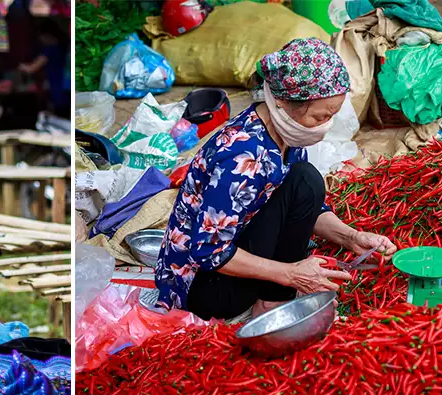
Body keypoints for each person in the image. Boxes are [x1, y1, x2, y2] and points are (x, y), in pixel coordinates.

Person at [154, 38, 398, 321]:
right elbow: (208, 251)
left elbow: (303, 205)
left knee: (305, 181)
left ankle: (270, 296)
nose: (326, 125)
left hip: (232, 255)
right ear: (282, 102)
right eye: (320, 116)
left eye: (331, 115)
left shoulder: (286, 134)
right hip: (203, 288)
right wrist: (292, 275)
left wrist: (351, 237)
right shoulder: (243, 158)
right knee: (306, 180)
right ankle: (269, 304)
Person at [18, 20, 70, 118]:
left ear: (47, 35)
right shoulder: (63, 47)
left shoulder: (50, 49)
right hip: (65, 85)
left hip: (57, 85)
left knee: (60, 113)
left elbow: (31, 68)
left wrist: (18, 66)